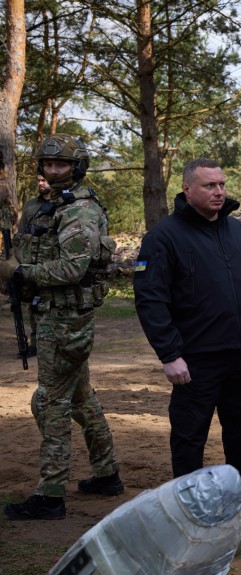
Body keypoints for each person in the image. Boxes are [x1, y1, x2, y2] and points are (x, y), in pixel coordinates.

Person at [133, 158, 241, 509]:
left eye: (221, 184)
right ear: (187, 189)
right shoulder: (163, 237)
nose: (218, 192)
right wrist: (169, 354)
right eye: (209, 186)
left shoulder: (240, 234)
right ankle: (188, 504)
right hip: (194, 360)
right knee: (189, 437)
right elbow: (150, 300)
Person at [2, 135, 121, 520]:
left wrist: (21, 273)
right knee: (81, 398)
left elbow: (73, 269)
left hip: (66, 320)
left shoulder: (80, 211)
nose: (53, 171)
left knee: (50, 402)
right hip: (53, 315)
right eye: (48, 165)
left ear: (77, 167)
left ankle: (51, 494)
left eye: (61, 165)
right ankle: (107, 473)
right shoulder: (49, 206)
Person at [12, 174, 51, 357]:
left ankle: (50, 342)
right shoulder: (31, 205)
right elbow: (21, 235)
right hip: (31, 263)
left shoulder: (63, 204)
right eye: (39, 180)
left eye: (44, 180)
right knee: (33, 303)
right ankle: (35, 343)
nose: (41, 183)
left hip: (53, 264)